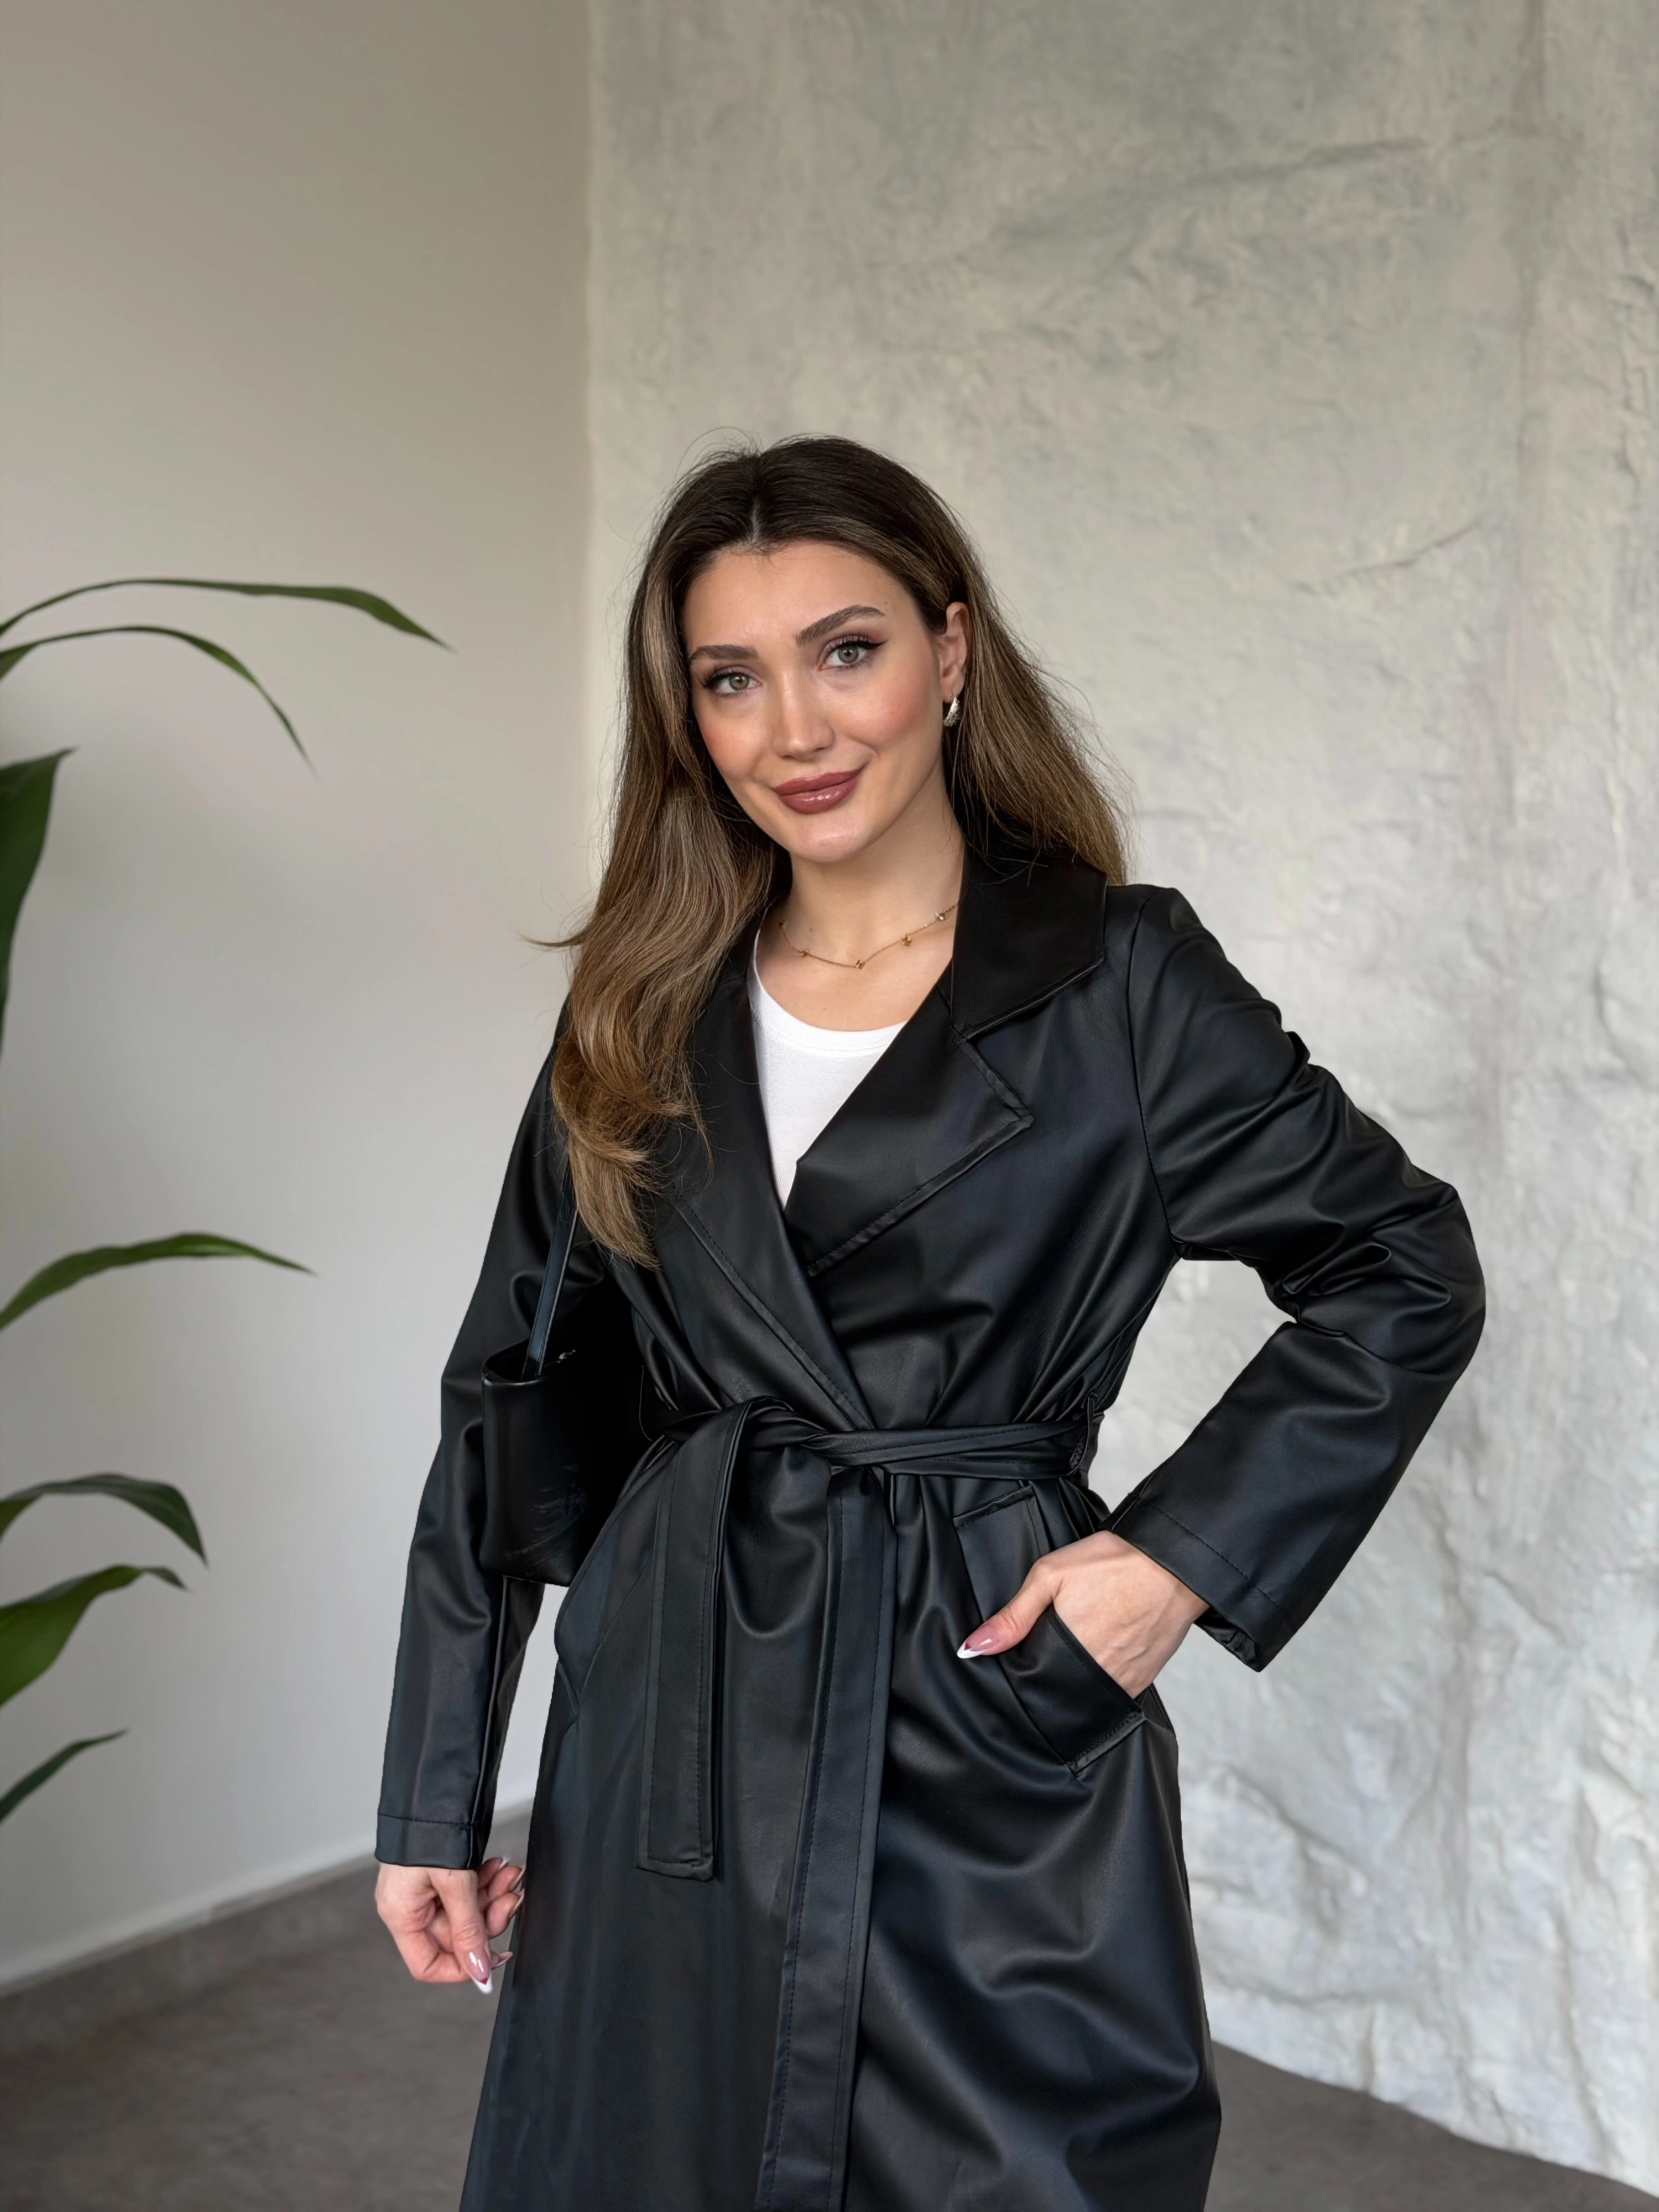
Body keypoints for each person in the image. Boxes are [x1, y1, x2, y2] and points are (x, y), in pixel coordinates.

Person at [374, 435, 1484, 2212]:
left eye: (848, 651)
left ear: (951, 650)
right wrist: (437, 1794)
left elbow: (1401, 1262)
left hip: (975, 1690)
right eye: (731, 679)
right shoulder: (641, 1002)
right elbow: (513, 1397)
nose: (795, 731)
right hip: (674, 1711)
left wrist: (1172, 1565)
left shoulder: (1119, 979)